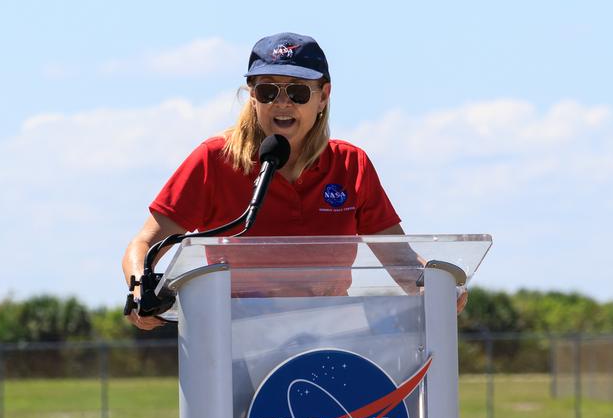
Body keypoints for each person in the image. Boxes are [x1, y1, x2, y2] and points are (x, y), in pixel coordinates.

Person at [122, 32, 462, 328]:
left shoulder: (351, 165)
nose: (281, 104)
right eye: (268, 91)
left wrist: (437, 286)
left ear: (323, 96)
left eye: (298, 92)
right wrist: (140, 292)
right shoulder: (214, 160)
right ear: (252, 96)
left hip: (332, 344)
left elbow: (401, 261)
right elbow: (143, 245)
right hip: (233, 346)